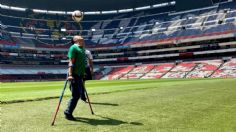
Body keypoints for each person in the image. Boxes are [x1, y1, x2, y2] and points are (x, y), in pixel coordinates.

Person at [64, 35, 87, 120]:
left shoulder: (82, 49)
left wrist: (83, 72)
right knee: (76, 95)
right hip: (74, 75)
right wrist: (70, 74)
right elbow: (71, 62)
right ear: (75, 40)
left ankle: (68, 111)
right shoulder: (73, 47)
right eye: (79, 36)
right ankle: (68, 113)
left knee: (78, 94)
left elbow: (81, 62)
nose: (81, 36)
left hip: (79, 75)